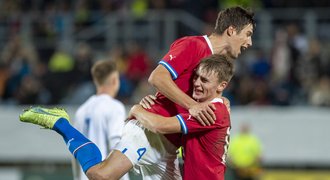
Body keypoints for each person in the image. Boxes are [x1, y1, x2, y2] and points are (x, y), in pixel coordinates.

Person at [20, 6, 255, 180]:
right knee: (101, 175)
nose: (250, 42)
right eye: (247, 34)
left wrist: (218, 101)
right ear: (232, 31)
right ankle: (62, 123)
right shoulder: (194, 45)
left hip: (170, 147)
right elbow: (157, 77)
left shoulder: (214, 65)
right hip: (150, 130)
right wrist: (188, 104)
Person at [129, 55, 234, 180]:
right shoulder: (204, 107)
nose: (197, 83)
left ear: (221, 86)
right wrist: (153, 104)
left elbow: (159, 126)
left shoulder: (211, 111)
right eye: (196, 77)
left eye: (204, 81)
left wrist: (136, 110)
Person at [72, 60, 130, 180]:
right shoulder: (115, 106)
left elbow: (75, 150)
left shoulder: (81, 111)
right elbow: (116, 144)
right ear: (115, 80)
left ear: (95, 81)